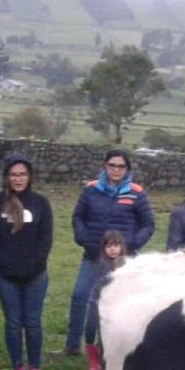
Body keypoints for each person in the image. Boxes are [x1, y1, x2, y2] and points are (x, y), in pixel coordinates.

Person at [63, 149, 154, 356]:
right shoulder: (91, 189)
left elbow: (148, 224)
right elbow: (78, 217)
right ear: (105, 166)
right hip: (93, 255)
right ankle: (72, 345)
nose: (116, 169)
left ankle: (114, 347)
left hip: (122, 261)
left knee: (120, 301)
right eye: (112, 165)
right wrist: (83, 239)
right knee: (80, 296)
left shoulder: (136, 193)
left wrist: (130, 245)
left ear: (127, 169)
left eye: (121, 166)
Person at [0, 153, 53, 370]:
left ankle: (34, 366)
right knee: (13, 322)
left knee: (32, 322)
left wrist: (34, 264)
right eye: (13, 174)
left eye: (22, 174)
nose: (18, 179)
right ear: (6, 177)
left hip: (36, 275)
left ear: (30, 176)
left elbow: (46, 238)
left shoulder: (41, 203)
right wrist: (7, 263)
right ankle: (17, 365)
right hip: (5, 275)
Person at [84, 230, 127, 370]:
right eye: (109, 246)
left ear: (121, 247)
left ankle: (108, 358)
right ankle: (92, 355)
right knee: (91, 326)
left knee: (110, 332)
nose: (113, 249)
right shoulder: (102, 263)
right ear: (104, 249)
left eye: (116, 245)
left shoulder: (126, 264)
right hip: (97, 301)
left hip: (117, 304)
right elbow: (103, 284)